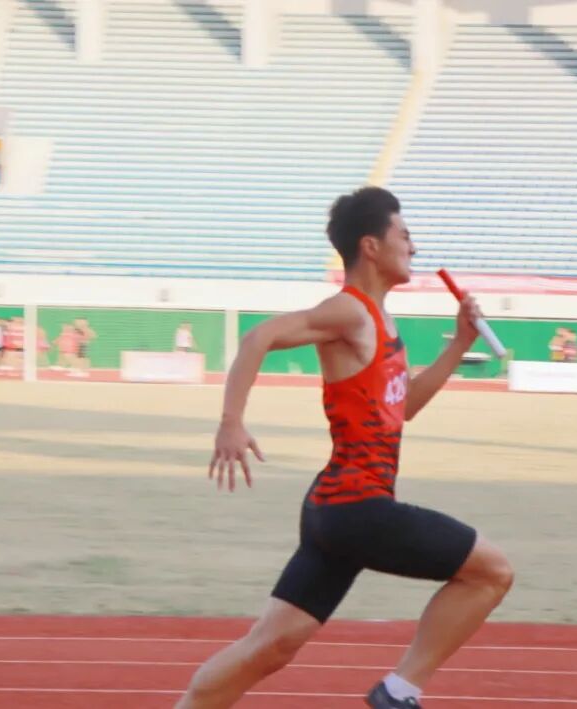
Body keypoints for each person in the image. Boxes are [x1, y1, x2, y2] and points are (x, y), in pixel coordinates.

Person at [175, 187, 514, 709]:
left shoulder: (378, 321)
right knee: (491, 572)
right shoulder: (349, 311)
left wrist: (460, 344)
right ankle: (398, 692)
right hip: (358, 508)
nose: (414, 247)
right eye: (405, 235)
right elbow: (257, 337)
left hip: (334, 511)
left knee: (270, 646)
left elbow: (403, 408)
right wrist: (230, 423)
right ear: (371, 246)